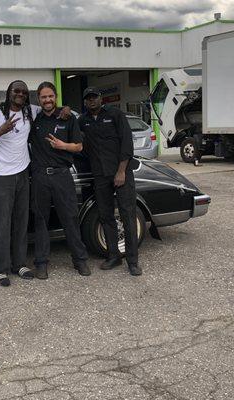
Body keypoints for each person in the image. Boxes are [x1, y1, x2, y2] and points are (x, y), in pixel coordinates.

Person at [78, 87, 142, 276]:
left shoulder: (115, 114)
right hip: (100, 175)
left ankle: (132, 261)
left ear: (100, 98)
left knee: (127, 216)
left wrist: (121, 171)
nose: (91, 101)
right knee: (106, 216)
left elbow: (126, 143)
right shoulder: (83, 121)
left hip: (121, 173)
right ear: (85, 102)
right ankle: (114, 256)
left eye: (94, 97)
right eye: (88, 98)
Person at [29, 81, 89, 279]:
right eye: (44, 97)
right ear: (39, 99)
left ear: (55, 97)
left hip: (62, 175)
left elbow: (79, 147)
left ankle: (80, 260)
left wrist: (63, 146)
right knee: (41, 220)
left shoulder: (68, 118)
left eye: (50, 96)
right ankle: (41, 263)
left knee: (70, 218)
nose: (47, 100)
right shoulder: (34, 120)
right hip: (39, 177)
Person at [0, 80, 37, 286]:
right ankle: (0, 269)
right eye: (16, 91)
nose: (20, 94)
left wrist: (65, 109)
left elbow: (52, 109)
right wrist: (0, 130)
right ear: (9, 93)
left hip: (23, 173)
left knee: (21, 222)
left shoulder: (30, 111)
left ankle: (19, 264)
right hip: (1, 174)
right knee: (2, 224)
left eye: (23, 92)